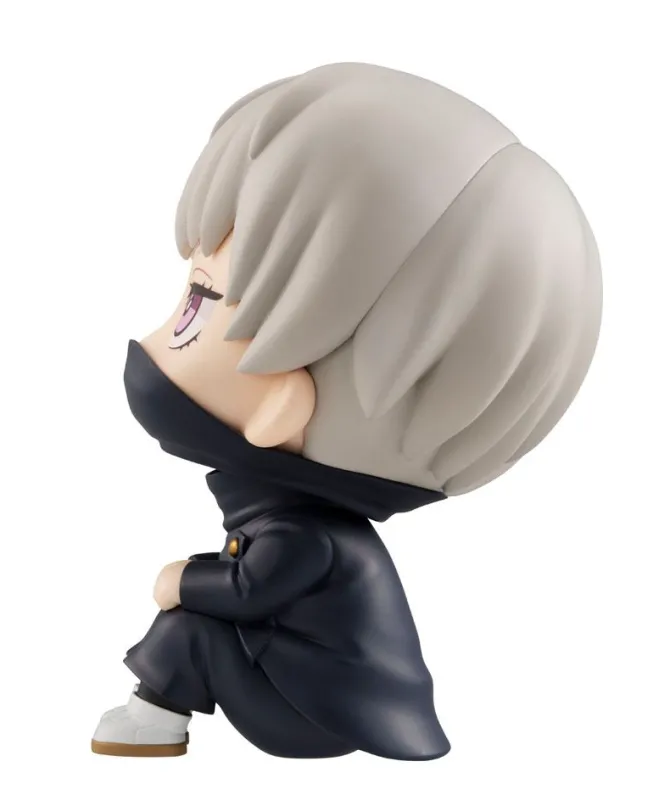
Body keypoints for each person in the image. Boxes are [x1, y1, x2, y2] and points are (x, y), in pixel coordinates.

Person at [91, 62, 602, 760]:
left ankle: (152, 721)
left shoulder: (303, 537)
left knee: (187, 622)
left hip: (311, 710)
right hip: (301, 680)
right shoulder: (292, 523)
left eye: (196, 308)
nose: (157, 340)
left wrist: (180, 578)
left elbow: (247, 589)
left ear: (283, 403)